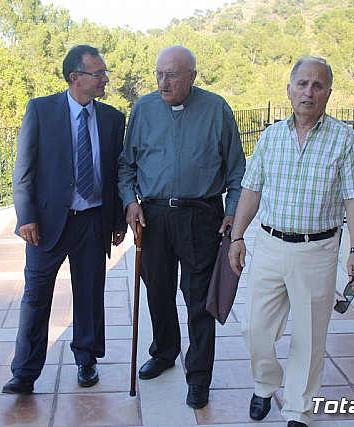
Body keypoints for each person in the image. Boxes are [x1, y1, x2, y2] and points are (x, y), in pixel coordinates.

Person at [228, 56, 354, 427]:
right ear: (289, 90)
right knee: (254, 328)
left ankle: (298, 409)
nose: (309, 92)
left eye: (318, 85)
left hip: (318, 250)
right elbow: (251, 189)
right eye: (302, 84)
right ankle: (264, 384)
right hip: (271, 246)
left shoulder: (345, 139)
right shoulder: (271, 137)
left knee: (308, 339)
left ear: (328, 93)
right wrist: (238, 236)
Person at [118, 45, 245, 409]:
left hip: (202, 215)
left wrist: (233, 210)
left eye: (172, 75)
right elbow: (127, 166)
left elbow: (236, 168)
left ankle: (199, 375)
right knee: (157, 289)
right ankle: (164, 352)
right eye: (159, 74)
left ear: (192, 75)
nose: (163, 82)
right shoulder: (143, 109)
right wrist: (130, 202)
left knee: (199, 300)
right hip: (154, 216)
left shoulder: (216, 108)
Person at [3, 45, 127, 394]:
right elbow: (23, 170)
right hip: (46, 224)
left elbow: (117, 174)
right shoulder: (41, 110)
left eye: (104, 73)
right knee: (36, 296)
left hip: (92, 221)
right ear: (75, 78)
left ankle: (86, 360)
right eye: (99, 73)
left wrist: (117, 220)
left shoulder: (113, 119)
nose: (105, 79)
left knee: (90, 294)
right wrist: (25, 216)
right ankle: (24, 372)